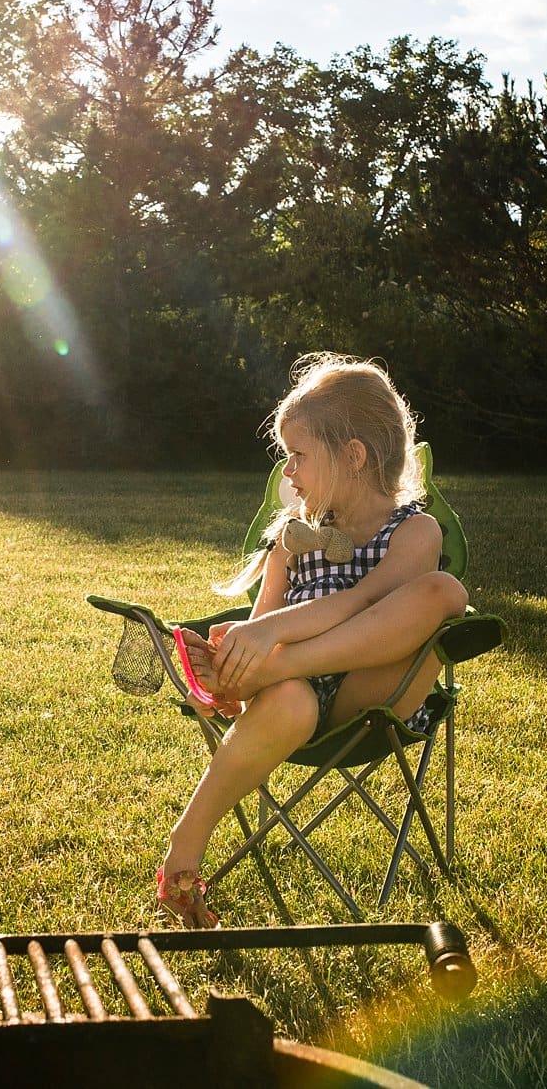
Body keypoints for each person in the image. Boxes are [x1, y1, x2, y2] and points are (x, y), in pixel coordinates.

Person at [156, 353, 468, 927]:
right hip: (289, 699)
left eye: (298, 456)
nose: (288, 473)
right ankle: (186, 845)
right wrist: (234, 662)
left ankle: (280, 670)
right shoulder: (290, 542)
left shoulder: (415, 530)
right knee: (289, 691)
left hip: (372, 694)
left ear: (353, 457)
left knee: (444, 591)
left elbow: (368, 604)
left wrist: (273, 642)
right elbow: (261, 630)